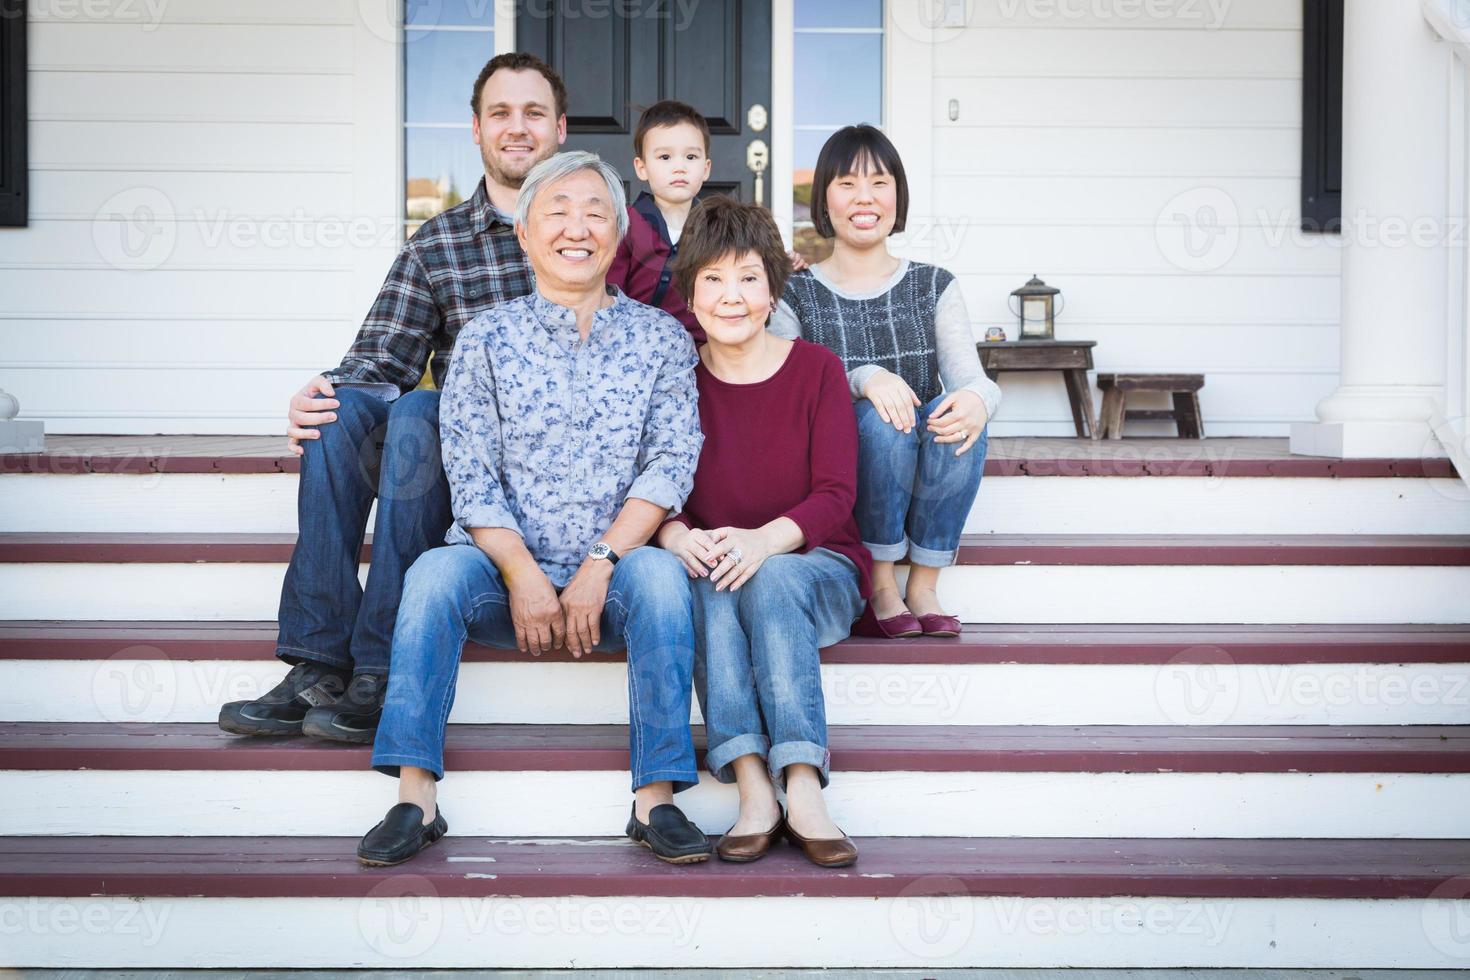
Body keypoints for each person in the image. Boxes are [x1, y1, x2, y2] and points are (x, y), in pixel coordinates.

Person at [357, 152, 711, 868]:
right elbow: (469, 468)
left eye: (594, 212)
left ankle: (657, 799)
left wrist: (601, 563)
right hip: (501, 576)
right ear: (524, 234)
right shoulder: (485, 338)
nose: (576, 227)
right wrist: (519, 573)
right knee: (431, 575)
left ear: (617, 237)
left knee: (665, 581)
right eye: (557, 210)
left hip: (612, 580)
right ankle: (414, 795)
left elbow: (671, 464)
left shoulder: (662, 340)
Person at [218, 54, 568, 742]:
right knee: (347, 408)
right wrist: (324, 393)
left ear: (560, 127)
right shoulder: (440, 244)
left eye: (533, 113)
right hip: (452, 457)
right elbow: (380, 359)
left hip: (536, 467)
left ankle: (378, 663)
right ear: (475, 129)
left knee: (417, 412)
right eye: (501, 113)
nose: (517, 127)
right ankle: (318, 660)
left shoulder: (593, 230)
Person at [656, 197, 868, 868]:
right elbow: (659, 490)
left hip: (819, 573)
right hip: (724, 572)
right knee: (710, 582)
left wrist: (760, 541)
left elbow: (836, 496)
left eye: (748, 277)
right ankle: (752, 783)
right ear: (690, 294)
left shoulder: (818, 370)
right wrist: (674, 535)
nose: (731, 297)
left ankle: (802, 783)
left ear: (773, 289)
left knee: (766, 571)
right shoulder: (677, 383)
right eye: (713, 280)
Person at [770, 124, 1001, 639]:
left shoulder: (933, 284)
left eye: (879, 182)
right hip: (841, 466)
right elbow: (786, 384)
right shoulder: (796, 292)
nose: (865, 198)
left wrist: (978, 401)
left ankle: (922, 582)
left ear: (898, 195)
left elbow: (976, 380)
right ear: (823, 201)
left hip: (922, 453)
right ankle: (879, 582)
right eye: (847, 184)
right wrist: (864, 377)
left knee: (959, 412)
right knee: (881, 419)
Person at [606, 99, 711, 343]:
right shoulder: (626, 224)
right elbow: (610, 291)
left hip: (701, 348)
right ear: (642, 168)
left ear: (706, 169)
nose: (679, 167)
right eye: (665, 157)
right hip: (637, 344)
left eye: (691, 157)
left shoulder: (716, 226)